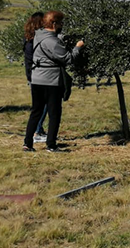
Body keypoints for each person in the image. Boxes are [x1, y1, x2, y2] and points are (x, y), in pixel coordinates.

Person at [23, 11, 84, 152]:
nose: (62, 25)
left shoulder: (38, 35)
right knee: (54, 113)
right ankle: (51, 145)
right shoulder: (53, 41)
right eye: (61, 23)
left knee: (36, 111)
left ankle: (27, 143)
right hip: (51, 80)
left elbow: (52, 39)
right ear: (54, 23)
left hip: (36, 79)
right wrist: (78, 47)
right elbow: (68, 59)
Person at [23, 12, 48, 143]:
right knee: (41, 106)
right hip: (38, 75)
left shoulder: (29, 38)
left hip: (33, 75)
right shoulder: (35, 40)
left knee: (40, 105)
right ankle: (36, 132)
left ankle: (39, 129)